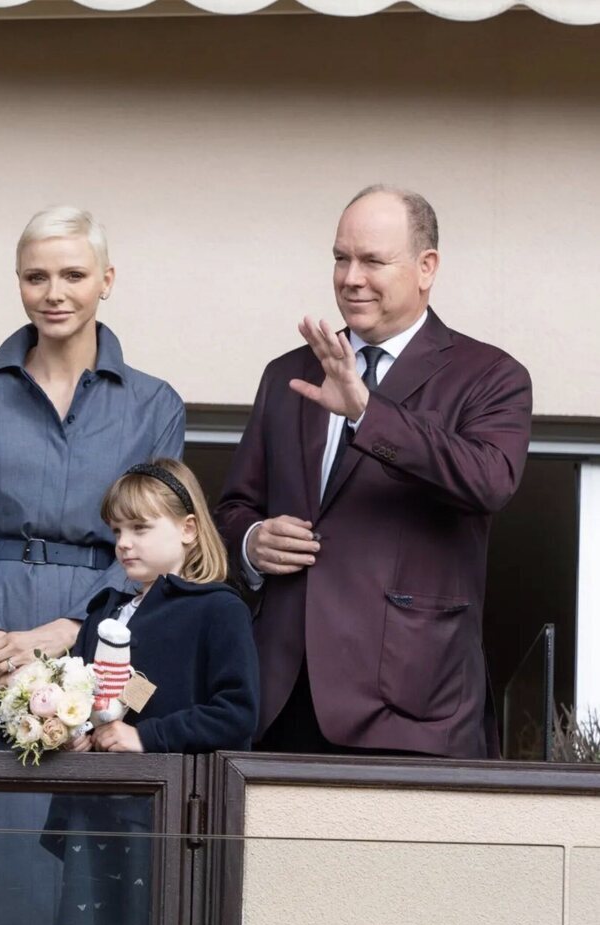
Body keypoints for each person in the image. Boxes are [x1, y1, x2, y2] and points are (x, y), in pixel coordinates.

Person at [0, 206, 185, 925]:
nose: (54, 291)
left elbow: (146, 539)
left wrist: (66, 630)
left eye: (73, 274)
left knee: (84, 846)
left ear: (107, 280)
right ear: (19, 282)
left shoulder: (154, 401)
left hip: (99, 642)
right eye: (37, 275)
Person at [215, 185, 533, 759]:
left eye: (372, 261)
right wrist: (252, 542)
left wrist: (367, 412)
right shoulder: (287, 375)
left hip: (415, 704)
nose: (351, 277)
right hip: (284, 697)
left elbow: (489, 480)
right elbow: (235, 506)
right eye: (341, 257)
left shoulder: (490, 374)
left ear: (426, 267)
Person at [49, 458, 259, 925]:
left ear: (188, 529)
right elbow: (88, 704)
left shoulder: (218, 608)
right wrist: (70, 732)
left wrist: (147, 737)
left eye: (140, 529)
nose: (123, 543)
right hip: (101, 816)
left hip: (172, 820)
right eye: (117, 530)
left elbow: (237, 714)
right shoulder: (102, 613)